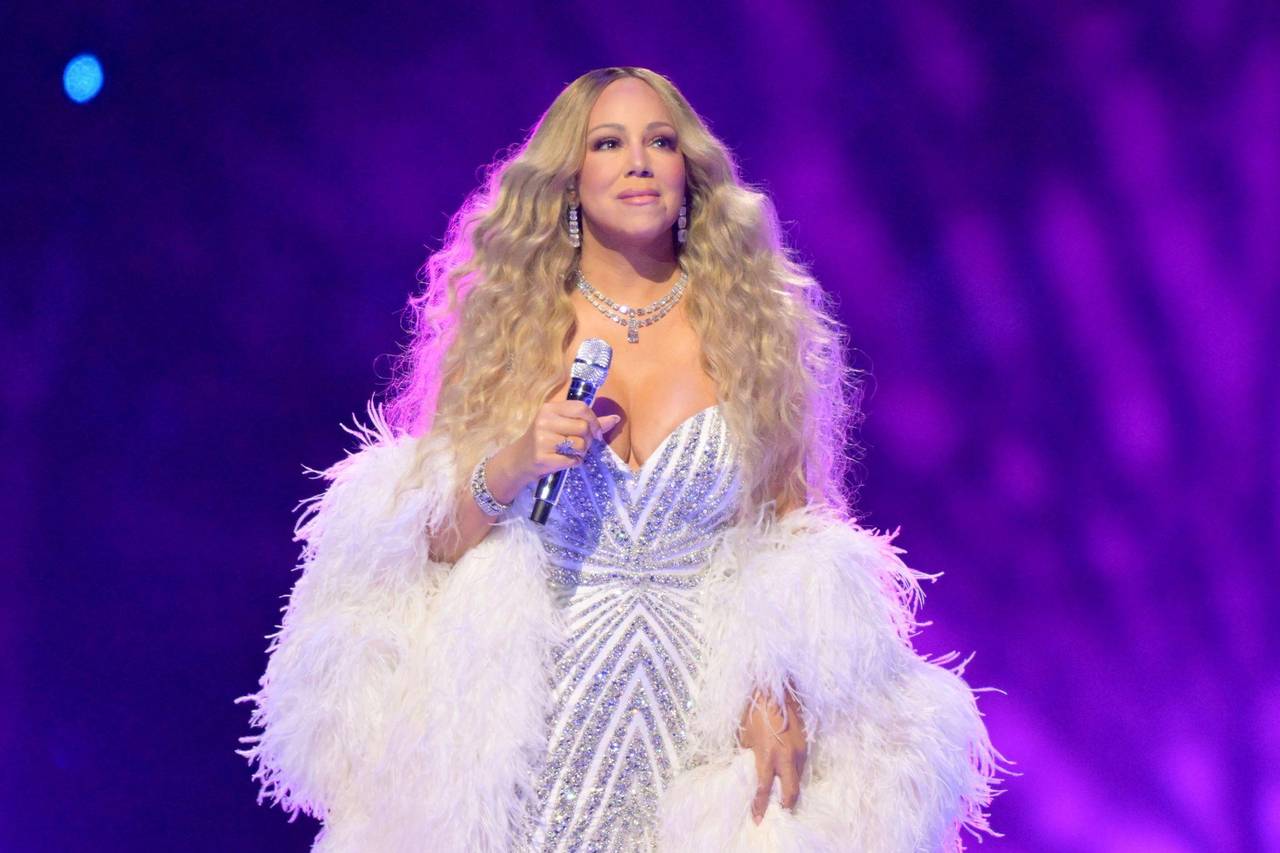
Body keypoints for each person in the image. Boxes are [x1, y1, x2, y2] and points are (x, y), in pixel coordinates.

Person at [238, 66, 1007, 852]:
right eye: (608, 143)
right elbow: (428, 547)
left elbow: (792, 540)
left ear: (688, 172)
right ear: (570, 179)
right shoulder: (512, 326)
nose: (638, 162)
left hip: (694, 732)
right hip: (534, 731)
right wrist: (515, 461)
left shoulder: (756, 329)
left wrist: (780, 684)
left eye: (660, 142)